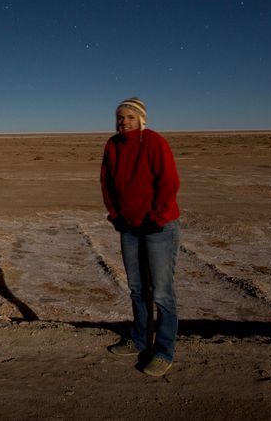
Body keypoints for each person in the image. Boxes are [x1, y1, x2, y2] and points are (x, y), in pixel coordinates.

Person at [99, 97, 181, 377]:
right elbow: (106, 182)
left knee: (161, 292)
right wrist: (115, 214)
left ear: (141, 119)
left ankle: (164, 350)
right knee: (137, 288)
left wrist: (156, 217)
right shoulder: (112, 145)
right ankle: (139, 339)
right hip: (129, 227)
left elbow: (168, 182)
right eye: (120, 117)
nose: (123, 122)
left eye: (129, 117)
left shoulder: (155, 142)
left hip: (159, 227)